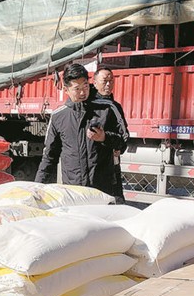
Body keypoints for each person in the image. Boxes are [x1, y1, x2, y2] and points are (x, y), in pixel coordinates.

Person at [34, 63, 127, 198]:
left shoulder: (108, 109)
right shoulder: (58, 116)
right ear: (66, 89)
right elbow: (49, 157)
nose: (83, 93)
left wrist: (104, 137)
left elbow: (123, 142)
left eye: (85, 86)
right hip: (73, 192)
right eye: (77, 89)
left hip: (103, 191)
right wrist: (37, 188)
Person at [90, 65, 130, 203]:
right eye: (105, 81)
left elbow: (124, 137)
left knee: (113, 204)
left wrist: (106, 138)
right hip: (85, 169)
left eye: (111, 81)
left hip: (108, 167)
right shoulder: (85, 105)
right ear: (95, 82)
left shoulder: (114, 107)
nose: (108, 84)